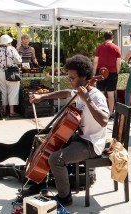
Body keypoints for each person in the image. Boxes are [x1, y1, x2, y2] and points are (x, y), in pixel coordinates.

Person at [29, 54, 109, 206]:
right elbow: (66, 92)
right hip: (80, 137)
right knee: (44, 142)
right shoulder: (79, 90)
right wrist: (43, 96)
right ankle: (39, 182)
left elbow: (104, 120)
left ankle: (65, 197)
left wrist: (87, 100)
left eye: (72, 78)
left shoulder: (95, 96)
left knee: (55, 159)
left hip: (91, 144)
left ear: (84, 77)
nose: (70, 80)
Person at [93, 31, 121, 118]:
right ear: (112, 37)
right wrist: (117, 71)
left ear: (104, 38)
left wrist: (94, 72)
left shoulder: (99, 47)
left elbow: (95, 61)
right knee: (111, 93)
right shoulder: (116, 48)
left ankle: (100, 110)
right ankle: (110, 112)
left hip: (101, 71)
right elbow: (119, 63)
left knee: (100, 92)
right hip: (112, 72)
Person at [0, 34, 22, 117]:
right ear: (9, 41)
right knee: (13, 91)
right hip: (11, 72)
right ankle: (12, 111)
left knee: (2, 91)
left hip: (0, 73)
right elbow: (19, 61)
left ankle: (3, 111)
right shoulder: (12, 49)